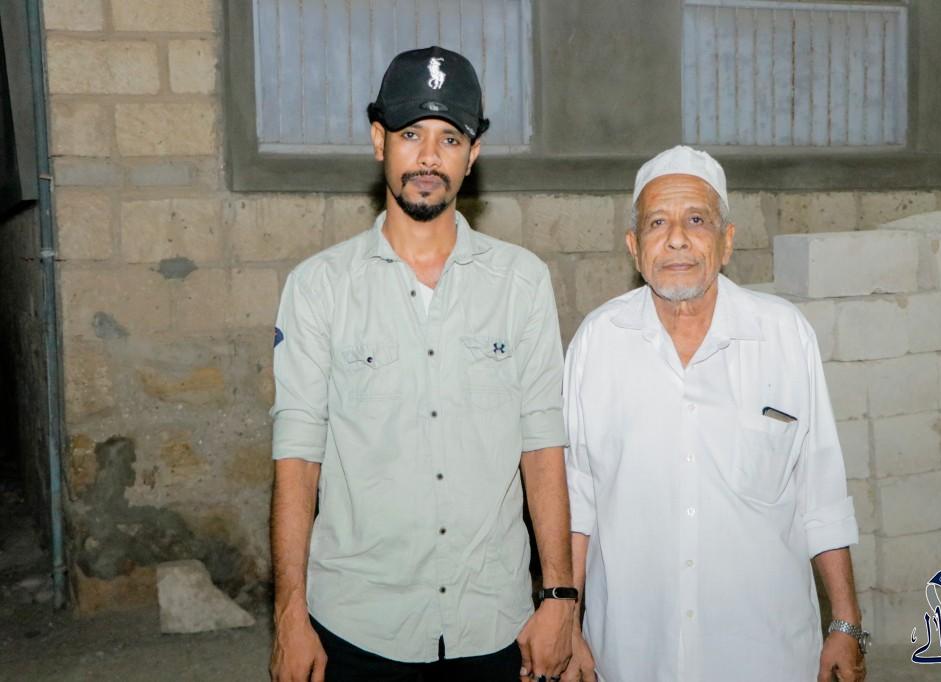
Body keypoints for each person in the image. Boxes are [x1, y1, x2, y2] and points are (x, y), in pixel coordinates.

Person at [268, 46, 575, 682]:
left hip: (493, 623)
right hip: (357, 625)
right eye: (411, 134)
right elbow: (297, 456)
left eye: (449, 139)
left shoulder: (521, 282)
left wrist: (559, 597)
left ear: (473, 153)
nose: (429, 157)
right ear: (379, 140)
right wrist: (289, 613)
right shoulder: (319, 287)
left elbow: (542, 445)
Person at [562, 146, 868, 682]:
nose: (677, 238)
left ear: (727, 242)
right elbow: (577, 497)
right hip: (634, 652)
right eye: (658, 223)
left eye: (697, 220)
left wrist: (846, 621)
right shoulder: (597, 342)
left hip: (764, 654)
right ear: (634, 247)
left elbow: (819, 490)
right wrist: (567, 620)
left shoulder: (783, 335)